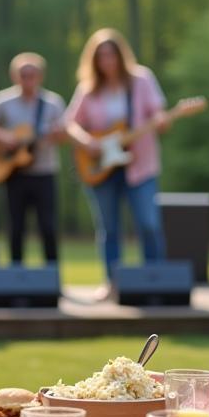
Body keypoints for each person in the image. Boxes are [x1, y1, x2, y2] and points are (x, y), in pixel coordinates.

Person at [66, 28, 169, 294]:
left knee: (149, 224)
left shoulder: (141, 80)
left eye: (111, 54)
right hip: (102, 170)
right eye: (101, 56)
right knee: (109, 228)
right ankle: (112, 283)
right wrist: (88, 142)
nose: (107, 61)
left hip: (140, 166)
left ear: (120, 55)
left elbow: (158, 113)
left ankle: (154, 281)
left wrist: (161, 120)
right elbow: (69, 124)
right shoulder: (88, 89)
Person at [0, 52, 67, 264]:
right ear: (14, 76)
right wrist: (5, 138)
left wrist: (56, 134)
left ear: (40, 76)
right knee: (15, 227)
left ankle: (51, 275)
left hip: (44, 172)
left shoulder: (53, 103)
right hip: (14, 174)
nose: (28, 78)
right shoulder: (3, 101)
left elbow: (64, 134)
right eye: (23, 74)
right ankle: (17, 274)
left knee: (48, 226)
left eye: (32, 73)